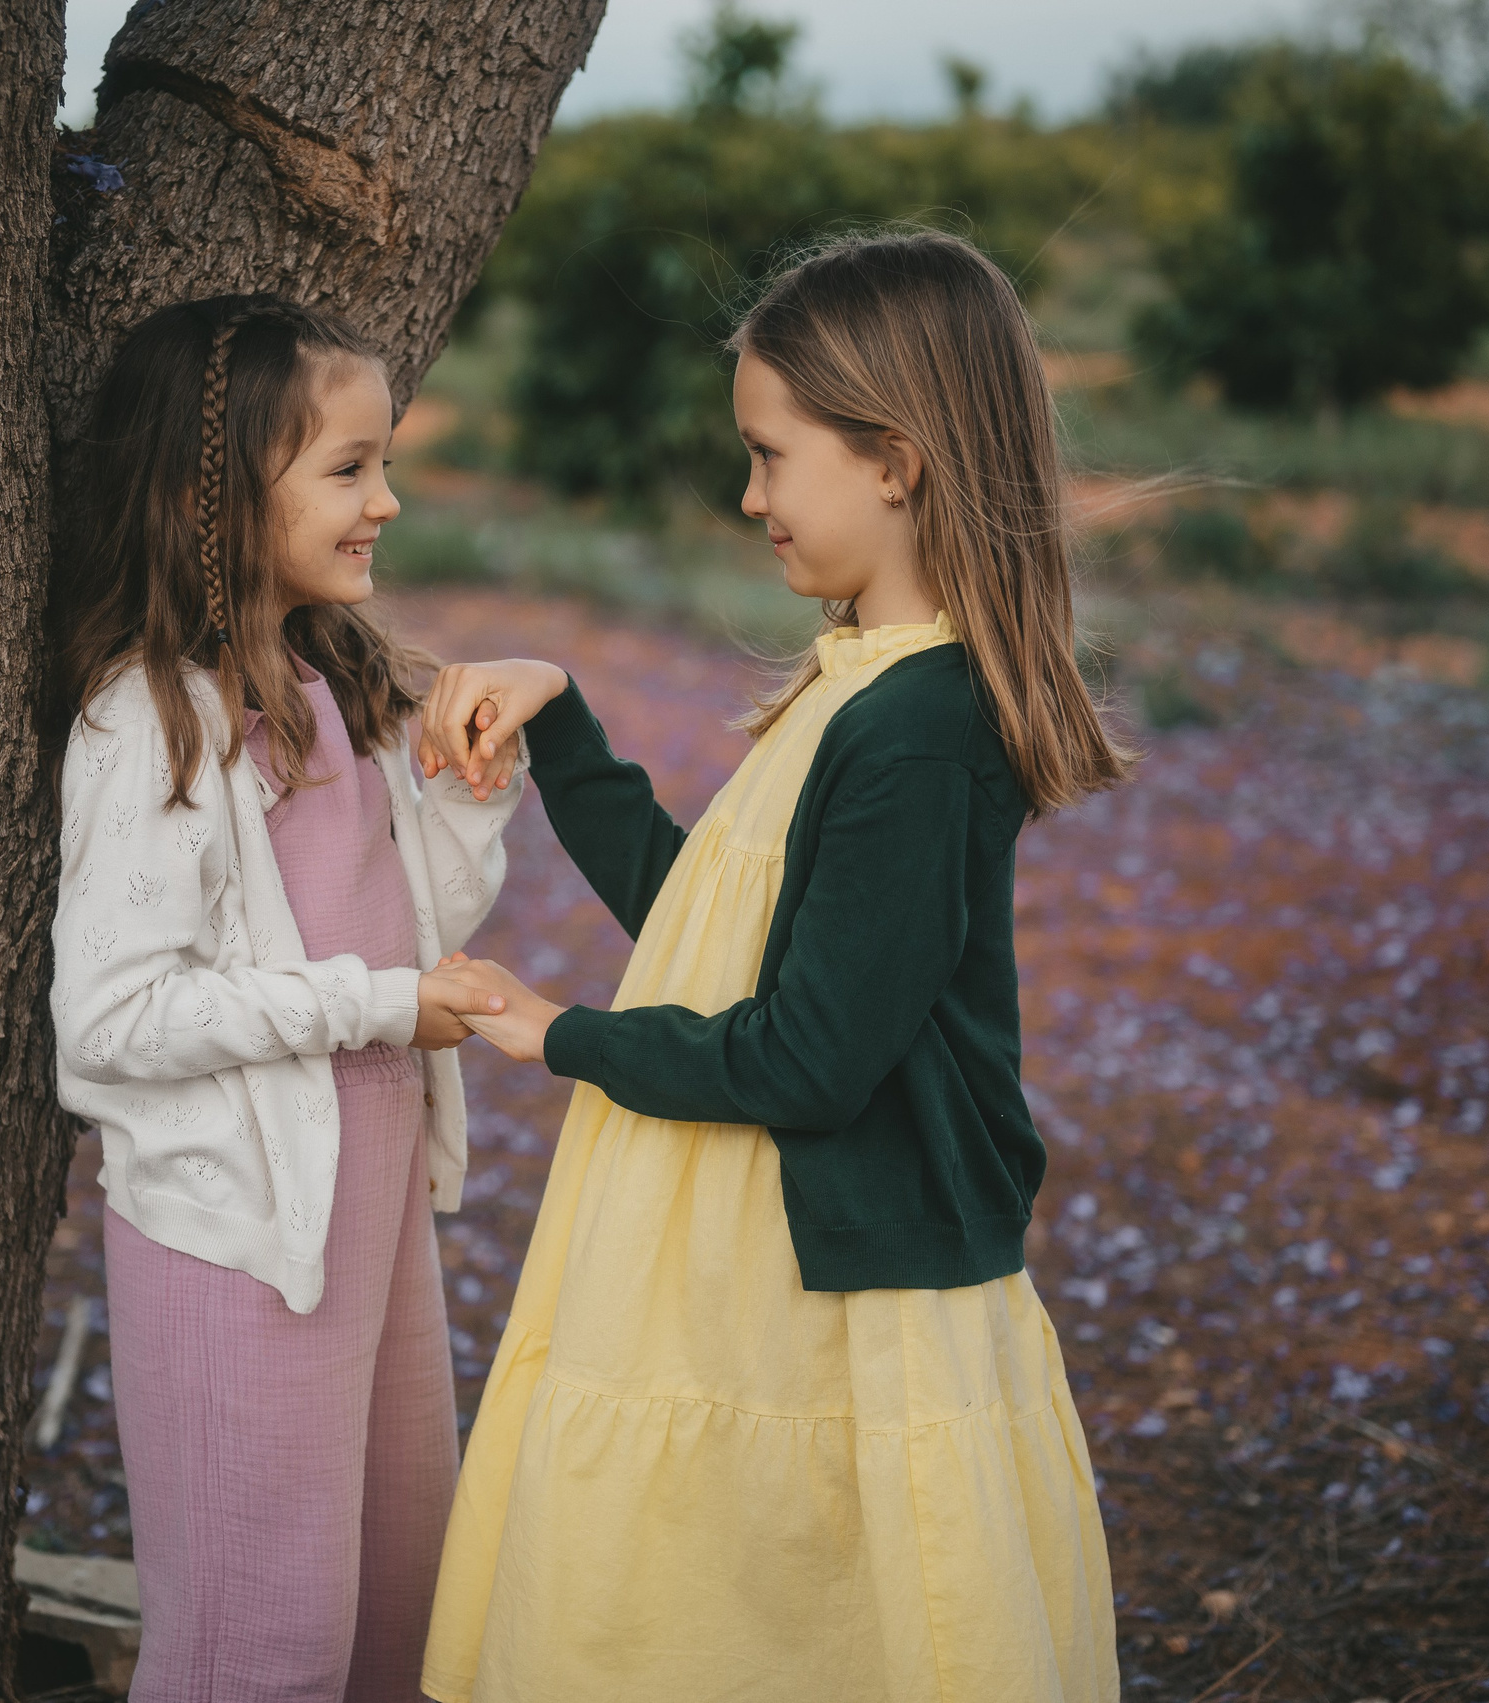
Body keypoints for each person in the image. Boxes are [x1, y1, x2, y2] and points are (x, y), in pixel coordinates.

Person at [409, 232, 1134, 1703]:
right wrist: (564, 726)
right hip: (760, 1251)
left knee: (814, 1627)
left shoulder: (924, 729)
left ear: (895, 459)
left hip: (838, 1277)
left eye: (769, 455)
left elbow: (809, 1057)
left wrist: (563, 1038)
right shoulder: (859, 681)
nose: (748, 498)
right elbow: (708, 924)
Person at [48, 294, 522, 1702]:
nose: (387, 498)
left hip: (367, 1233)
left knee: (394, 1622)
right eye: (349, 468)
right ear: (217, 493)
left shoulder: (322, 679)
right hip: (242, 1250)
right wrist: (379, 1005)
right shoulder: (153, 714)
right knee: (266, 1649)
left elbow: (409, 924)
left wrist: (467, 791)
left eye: (385, 462)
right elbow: (114, 1021)